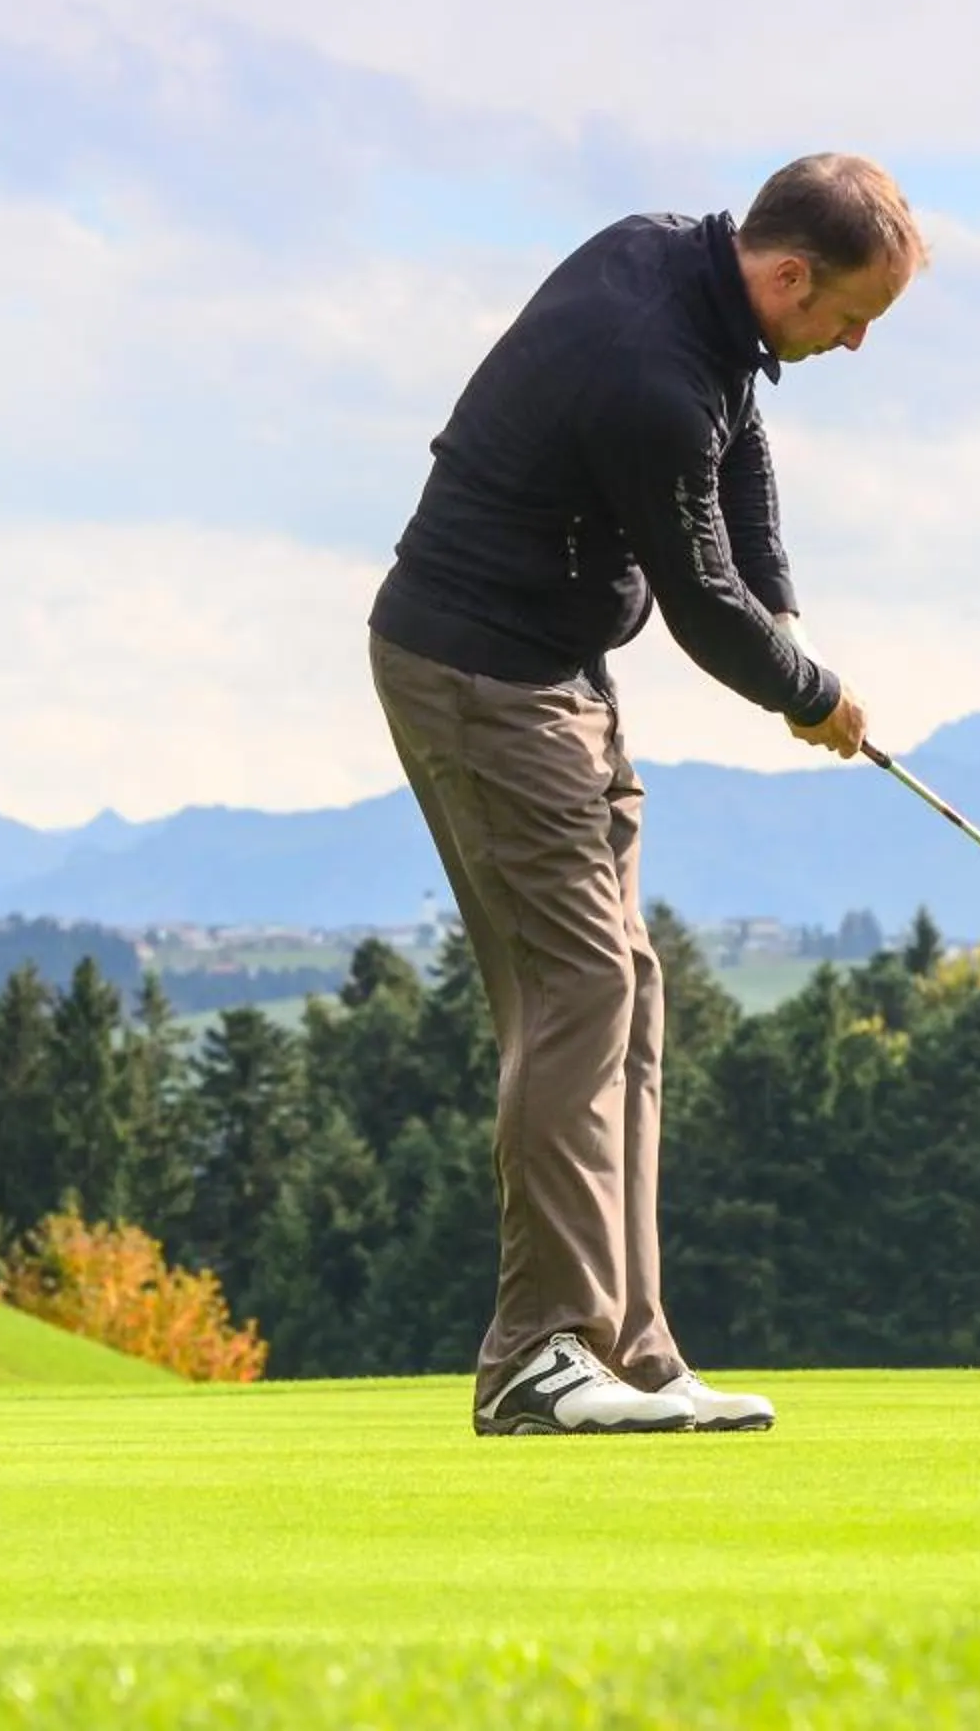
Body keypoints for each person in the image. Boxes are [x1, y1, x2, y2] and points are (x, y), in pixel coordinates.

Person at [367, 153, 922, 1434]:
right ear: (790, 275)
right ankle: (540, 1354)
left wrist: (785, 605)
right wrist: (808, 686)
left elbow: (743, 449)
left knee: (632, 986)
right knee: (578, 991)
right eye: (849, 319)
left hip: (550, 668)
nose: (849, 346)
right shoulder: (648, 366)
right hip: (480, 676)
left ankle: (630, 1346)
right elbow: (702, 607)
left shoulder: (681, 272)